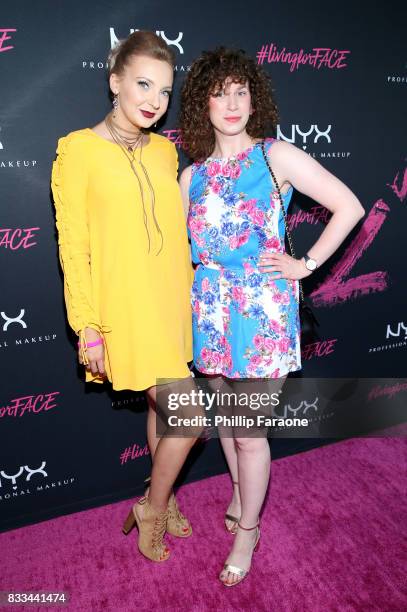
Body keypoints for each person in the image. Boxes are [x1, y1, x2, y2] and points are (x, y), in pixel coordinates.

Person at [179, 47, 365, 585]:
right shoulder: (192, 178)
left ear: (254, 99)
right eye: (221, 93)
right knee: (230, 425)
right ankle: (239, 493)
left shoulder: (274, 157)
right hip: (210, 311)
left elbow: (348, 205)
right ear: (203, 103)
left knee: (249, 434)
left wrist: (304, 264)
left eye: (242, 92)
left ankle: (248, 532)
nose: (232, 103)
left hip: (261, 313)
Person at [51, 31, 201, 563]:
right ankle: (152, 508)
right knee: (191, 418)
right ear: (114, 81)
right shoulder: (77, 150)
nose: (154, 101)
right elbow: (74, 244)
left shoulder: (165, 151)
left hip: (171, 305)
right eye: (142, 84)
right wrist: (86, 323)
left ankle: (163, 496)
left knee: (166, 417)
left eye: (163, 90)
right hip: (125, 310)